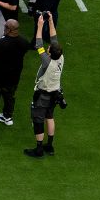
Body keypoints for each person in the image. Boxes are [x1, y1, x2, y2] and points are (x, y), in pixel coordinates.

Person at [25, 14, 64, 158]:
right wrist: (51, 21)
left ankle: (39, 149)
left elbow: (38, 44)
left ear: (49, 52)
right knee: (50, 116)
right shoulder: (60, 57)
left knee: (38, 120)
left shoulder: (47, 62)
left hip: (43, 95)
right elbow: (54, 40)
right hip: (55, 93)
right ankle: (50, 145)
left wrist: (40, 25)